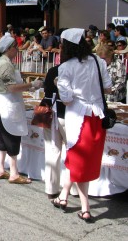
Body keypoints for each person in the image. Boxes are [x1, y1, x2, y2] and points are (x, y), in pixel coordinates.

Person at [54, 28, 112, 222]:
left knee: (79, 162)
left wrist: (58, 83)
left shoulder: (65, 68)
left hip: (78, 118)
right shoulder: (99, 61)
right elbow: (108, 88)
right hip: (97, 116)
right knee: (79, 160)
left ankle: (85, 208)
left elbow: (67, 99)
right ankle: (63, 196)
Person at [0, 33, 42, 184]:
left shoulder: (4, 62)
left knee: (4, 137)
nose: (17, 49)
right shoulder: (5, 64)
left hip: (1, 103)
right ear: (9, 48)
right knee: (12, 137)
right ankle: (14, 172)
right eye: (15, 47)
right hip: (7, 104)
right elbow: (12, 87)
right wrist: (32, 85)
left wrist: (26, 87)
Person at [41, 65, 66, 201]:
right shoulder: (78, 68)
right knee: (70, 150)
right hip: (66, 113)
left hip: (50, 110)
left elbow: (47, 90)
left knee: (52, 150)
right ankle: (71, 187)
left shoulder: (53, 70)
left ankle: (51, 188)